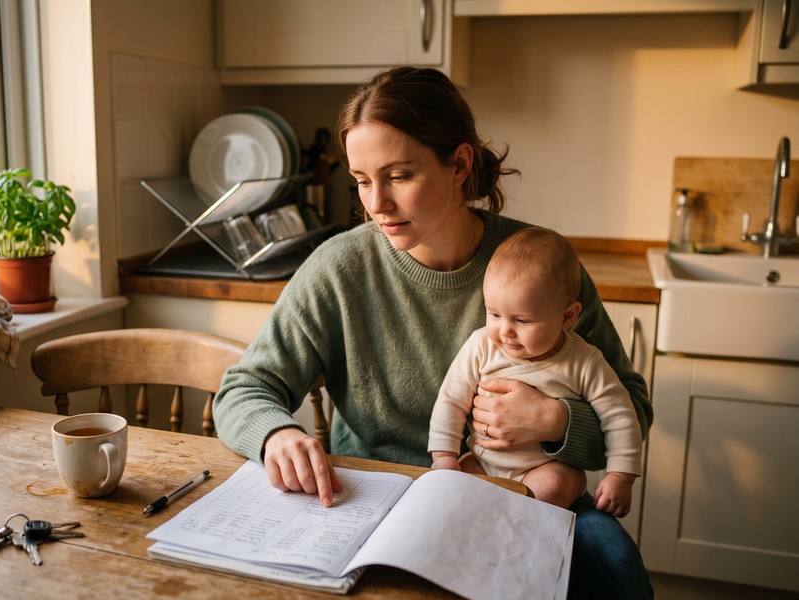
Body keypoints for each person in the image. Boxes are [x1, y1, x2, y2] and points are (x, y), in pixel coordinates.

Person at [213, 65, 654, 598]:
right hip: (380, 502)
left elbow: (633, 405)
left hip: (530, 491)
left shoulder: (541, 268)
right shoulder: (338, 268)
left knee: (614, 563)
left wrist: (556, 420)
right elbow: (243, 390)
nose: (376, 204)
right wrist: (276, 434)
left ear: (459, 165)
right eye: (361, 181)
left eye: (398, 176)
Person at [429, 226, 642, 517]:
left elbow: (620, 415)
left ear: (567, 316)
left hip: (544, 468)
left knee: (549, 491)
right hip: (484, 461)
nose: (505, 331)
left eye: (522, 320)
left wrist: (620, 476)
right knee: (450, 494)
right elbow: (451, 400)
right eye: (494, 314)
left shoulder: (585, 362)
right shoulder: (481, 346)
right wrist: (444, 456)